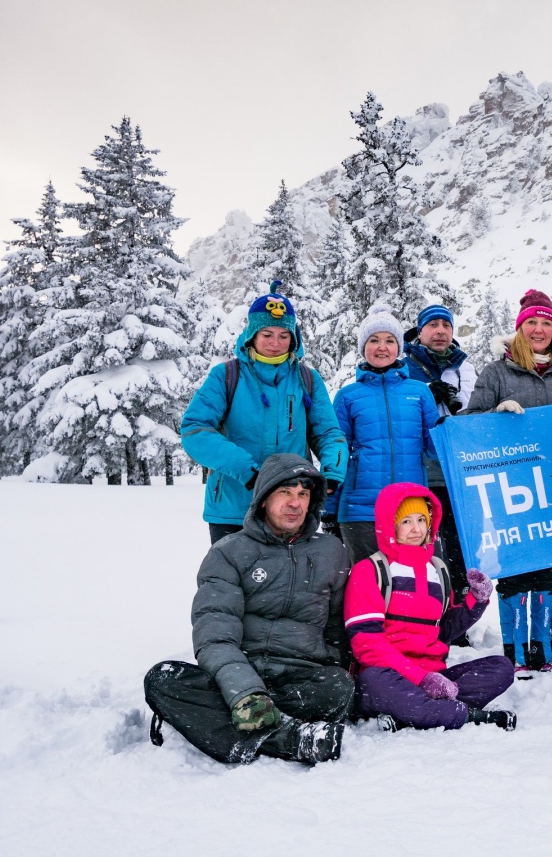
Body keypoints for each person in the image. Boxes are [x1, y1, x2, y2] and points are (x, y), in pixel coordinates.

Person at [143, 455, 354, 764]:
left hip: (299, 676)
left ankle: (215, 723)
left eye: (303, 494)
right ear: (264, 498)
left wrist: (335, 664)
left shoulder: (332, 551)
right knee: (162, 679)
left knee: (339, 687)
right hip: (240, 669)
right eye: (285, 492)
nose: (295, 503)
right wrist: (244, 691)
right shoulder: (228, 552)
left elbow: (338, 625)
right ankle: (290, 738)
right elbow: (215, 634)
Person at [462, 288, 552, 673]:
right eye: (531, 322)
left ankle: (545, 651)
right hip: (512, 489)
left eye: (545, 323)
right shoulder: (497, 372)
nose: (538, 329)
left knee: (550, 568)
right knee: (516, 567)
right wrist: (495, 415)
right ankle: (515, 654)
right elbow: (470, 423)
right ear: (519, 329)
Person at [180, 282, 348, 543]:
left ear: (293, 338)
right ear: (252, 335)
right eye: (267, 334)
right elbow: (195, 430)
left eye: (283, 335)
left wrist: (332, 473)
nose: (275, 343)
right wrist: (249, 472)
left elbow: (328, 433)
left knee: (292, 583)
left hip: (291, 510)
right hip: (234, 508)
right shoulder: (226, 375)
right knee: (231, 581)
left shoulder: (307, 379)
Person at [344, 483, 516, 731]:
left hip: (435, 676)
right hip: (389, 676)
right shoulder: (370, 570)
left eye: (421, 520)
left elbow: (442, 631)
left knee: (501, 668)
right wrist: (421, 679)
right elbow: (367, 645)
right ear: (390, 524)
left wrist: (475, 601)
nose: (416, 529)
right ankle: (466, 716)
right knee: (374, 680)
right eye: (406, 521)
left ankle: (416, 711)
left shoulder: (438, 570)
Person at [323, 305, 441, 565]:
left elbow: (435, 450)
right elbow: (336, 453)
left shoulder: (419, 392)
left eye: (389, 340)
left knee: (409, 592)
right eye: (373, 340)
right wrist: (329, 509)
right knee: (367, 590)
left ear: (399, 347)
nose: (381, 347)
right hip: (360, 511)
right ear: (363, 347)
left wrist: (444, 427)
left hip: (409, 509)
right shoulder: (347, 396)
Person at [402, 303, 479, 613]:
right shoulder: (405, 367)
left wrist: (457, 403)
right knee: (422, 542)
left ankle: (458, 608)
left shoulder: (464, 367)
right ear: (420, 332)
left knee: (458, 543)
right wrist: (426, 394)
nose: (440, 331)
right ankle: (424, 607)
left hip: (455, 470)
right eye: (432, 325)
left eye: (445, 325)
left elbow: (475, 408)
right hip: (419, 469)